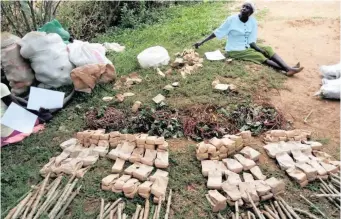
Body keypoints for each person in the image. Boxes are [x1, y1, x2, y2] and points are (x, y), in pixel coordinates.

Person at [194, 1, 304, 76]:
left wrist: (259, 48)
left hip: (247, 46)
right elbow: (217, 32)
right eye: (243, 6)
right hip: (235, 50)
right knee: (259, 55)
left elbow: (252, 41)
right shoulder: (231, 19)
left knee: (268, 49)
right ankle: (288, 69)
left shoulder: (253, 22)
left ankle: (288, 68)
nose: (244, 8)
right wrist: (201, 42)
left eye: (248, 8)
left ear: (251, 13)